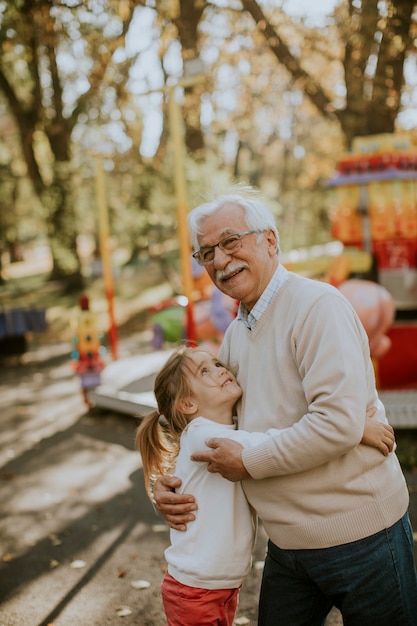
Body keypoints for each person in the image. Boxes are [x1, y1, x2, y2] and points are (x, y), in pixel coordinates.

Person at [153, 185, 417, 626]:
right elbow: (215, 422)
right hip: (288, 546)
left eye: (231, 241)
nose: (219, 260)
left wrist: (253, 458)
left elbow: (333, 426)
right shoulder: (237, 334)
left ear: (270, 240)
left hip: (362, 537)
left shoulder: (317, 307)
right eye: (206, 253)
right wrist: (174, 483)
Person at [137, 346, 396, 626]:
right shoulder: (204, 436)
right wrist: (351, 428)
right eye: (204, 371)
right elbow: (272, 441)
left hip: (215, 584)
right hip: (195, 588)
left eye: (215, 363)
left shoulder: (221, 432)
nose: (220, 369)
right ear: (188, 405)